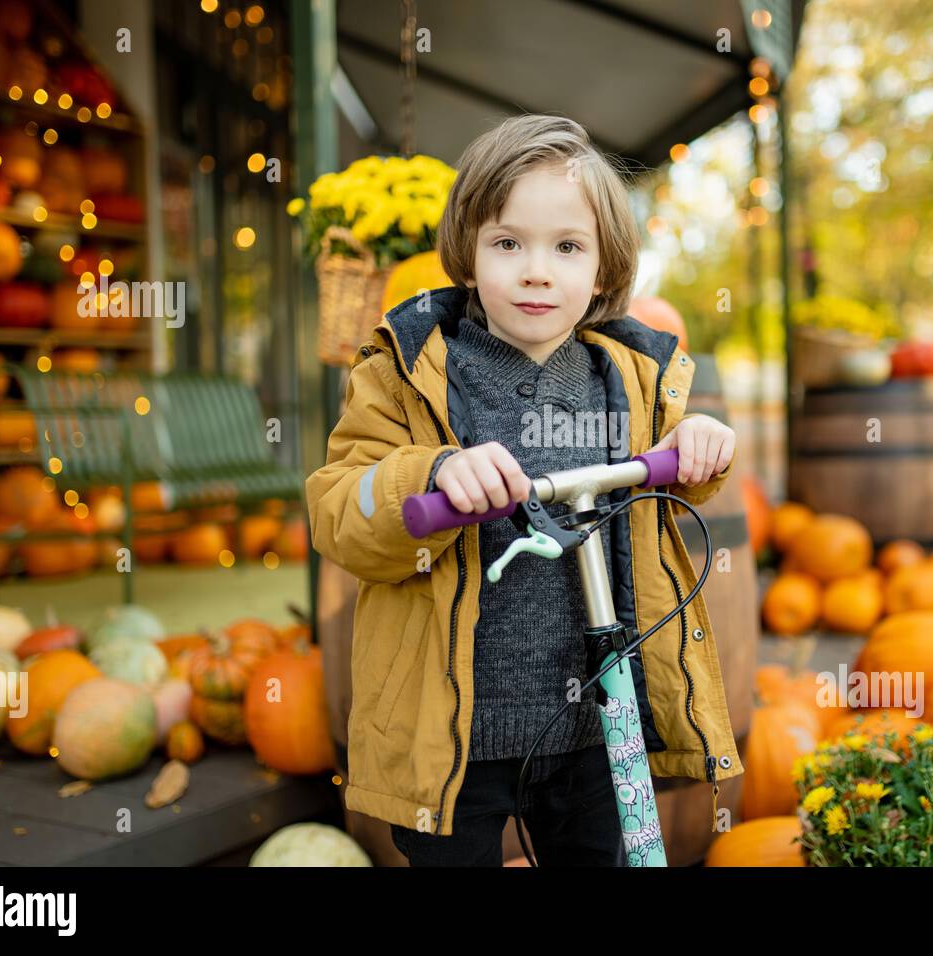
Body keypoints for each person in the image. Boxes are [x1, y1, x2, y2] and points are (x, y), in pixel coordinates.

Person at [306, 113, 743, 867]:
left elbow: (668, 488)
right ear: (469, 257)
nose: (537, 270)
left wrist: (700, 452)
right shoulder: (405, 372)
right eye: (509, 243)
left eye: (567, 247)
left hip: (597, 723)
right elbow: (339, 507)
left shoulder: (630, 380)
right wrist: (431, 472)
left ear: (604, 271)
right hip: (453, 736)